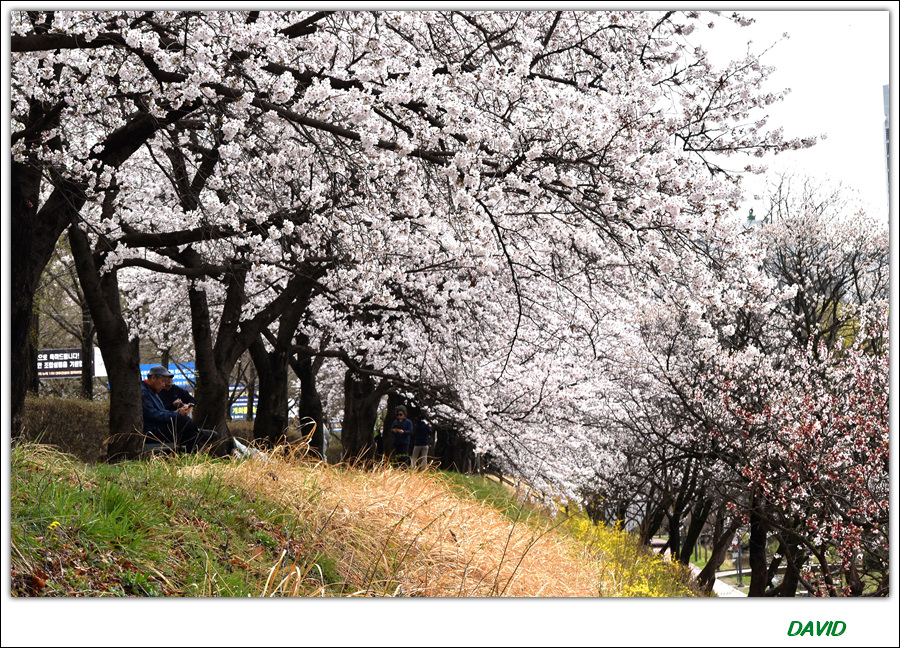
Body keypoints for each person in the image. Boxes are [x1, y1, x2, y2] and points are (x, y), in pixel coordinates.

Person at [141, 365, 217, 453]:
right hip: (152, 432)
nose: (164, 385)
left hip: (159, 427)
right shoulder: (144, 391)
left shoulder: (153, 391)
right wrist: (177, 414)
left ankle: (191, 454)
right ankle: (198, 433)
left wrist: (177, 412)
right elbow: (153, 415)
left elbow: (162, 411)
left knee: (192, 434)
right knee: (184, 420)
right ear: (153, 378)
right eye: (163, 381)